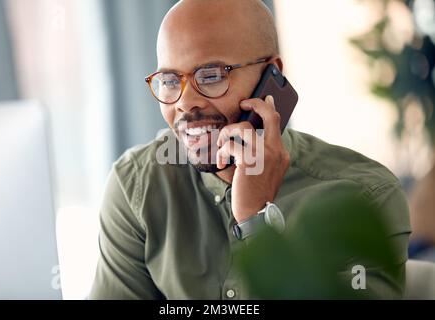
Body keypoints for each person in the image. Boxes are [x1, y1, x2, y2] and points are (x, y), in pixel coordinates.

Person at [89, 0, 411, 299]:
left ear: (272, 75)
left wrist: (256, 224)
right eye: (171, 81)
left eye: (211, 75)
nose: (185, 104)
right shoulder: (136, 188)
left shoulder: (365, 197)